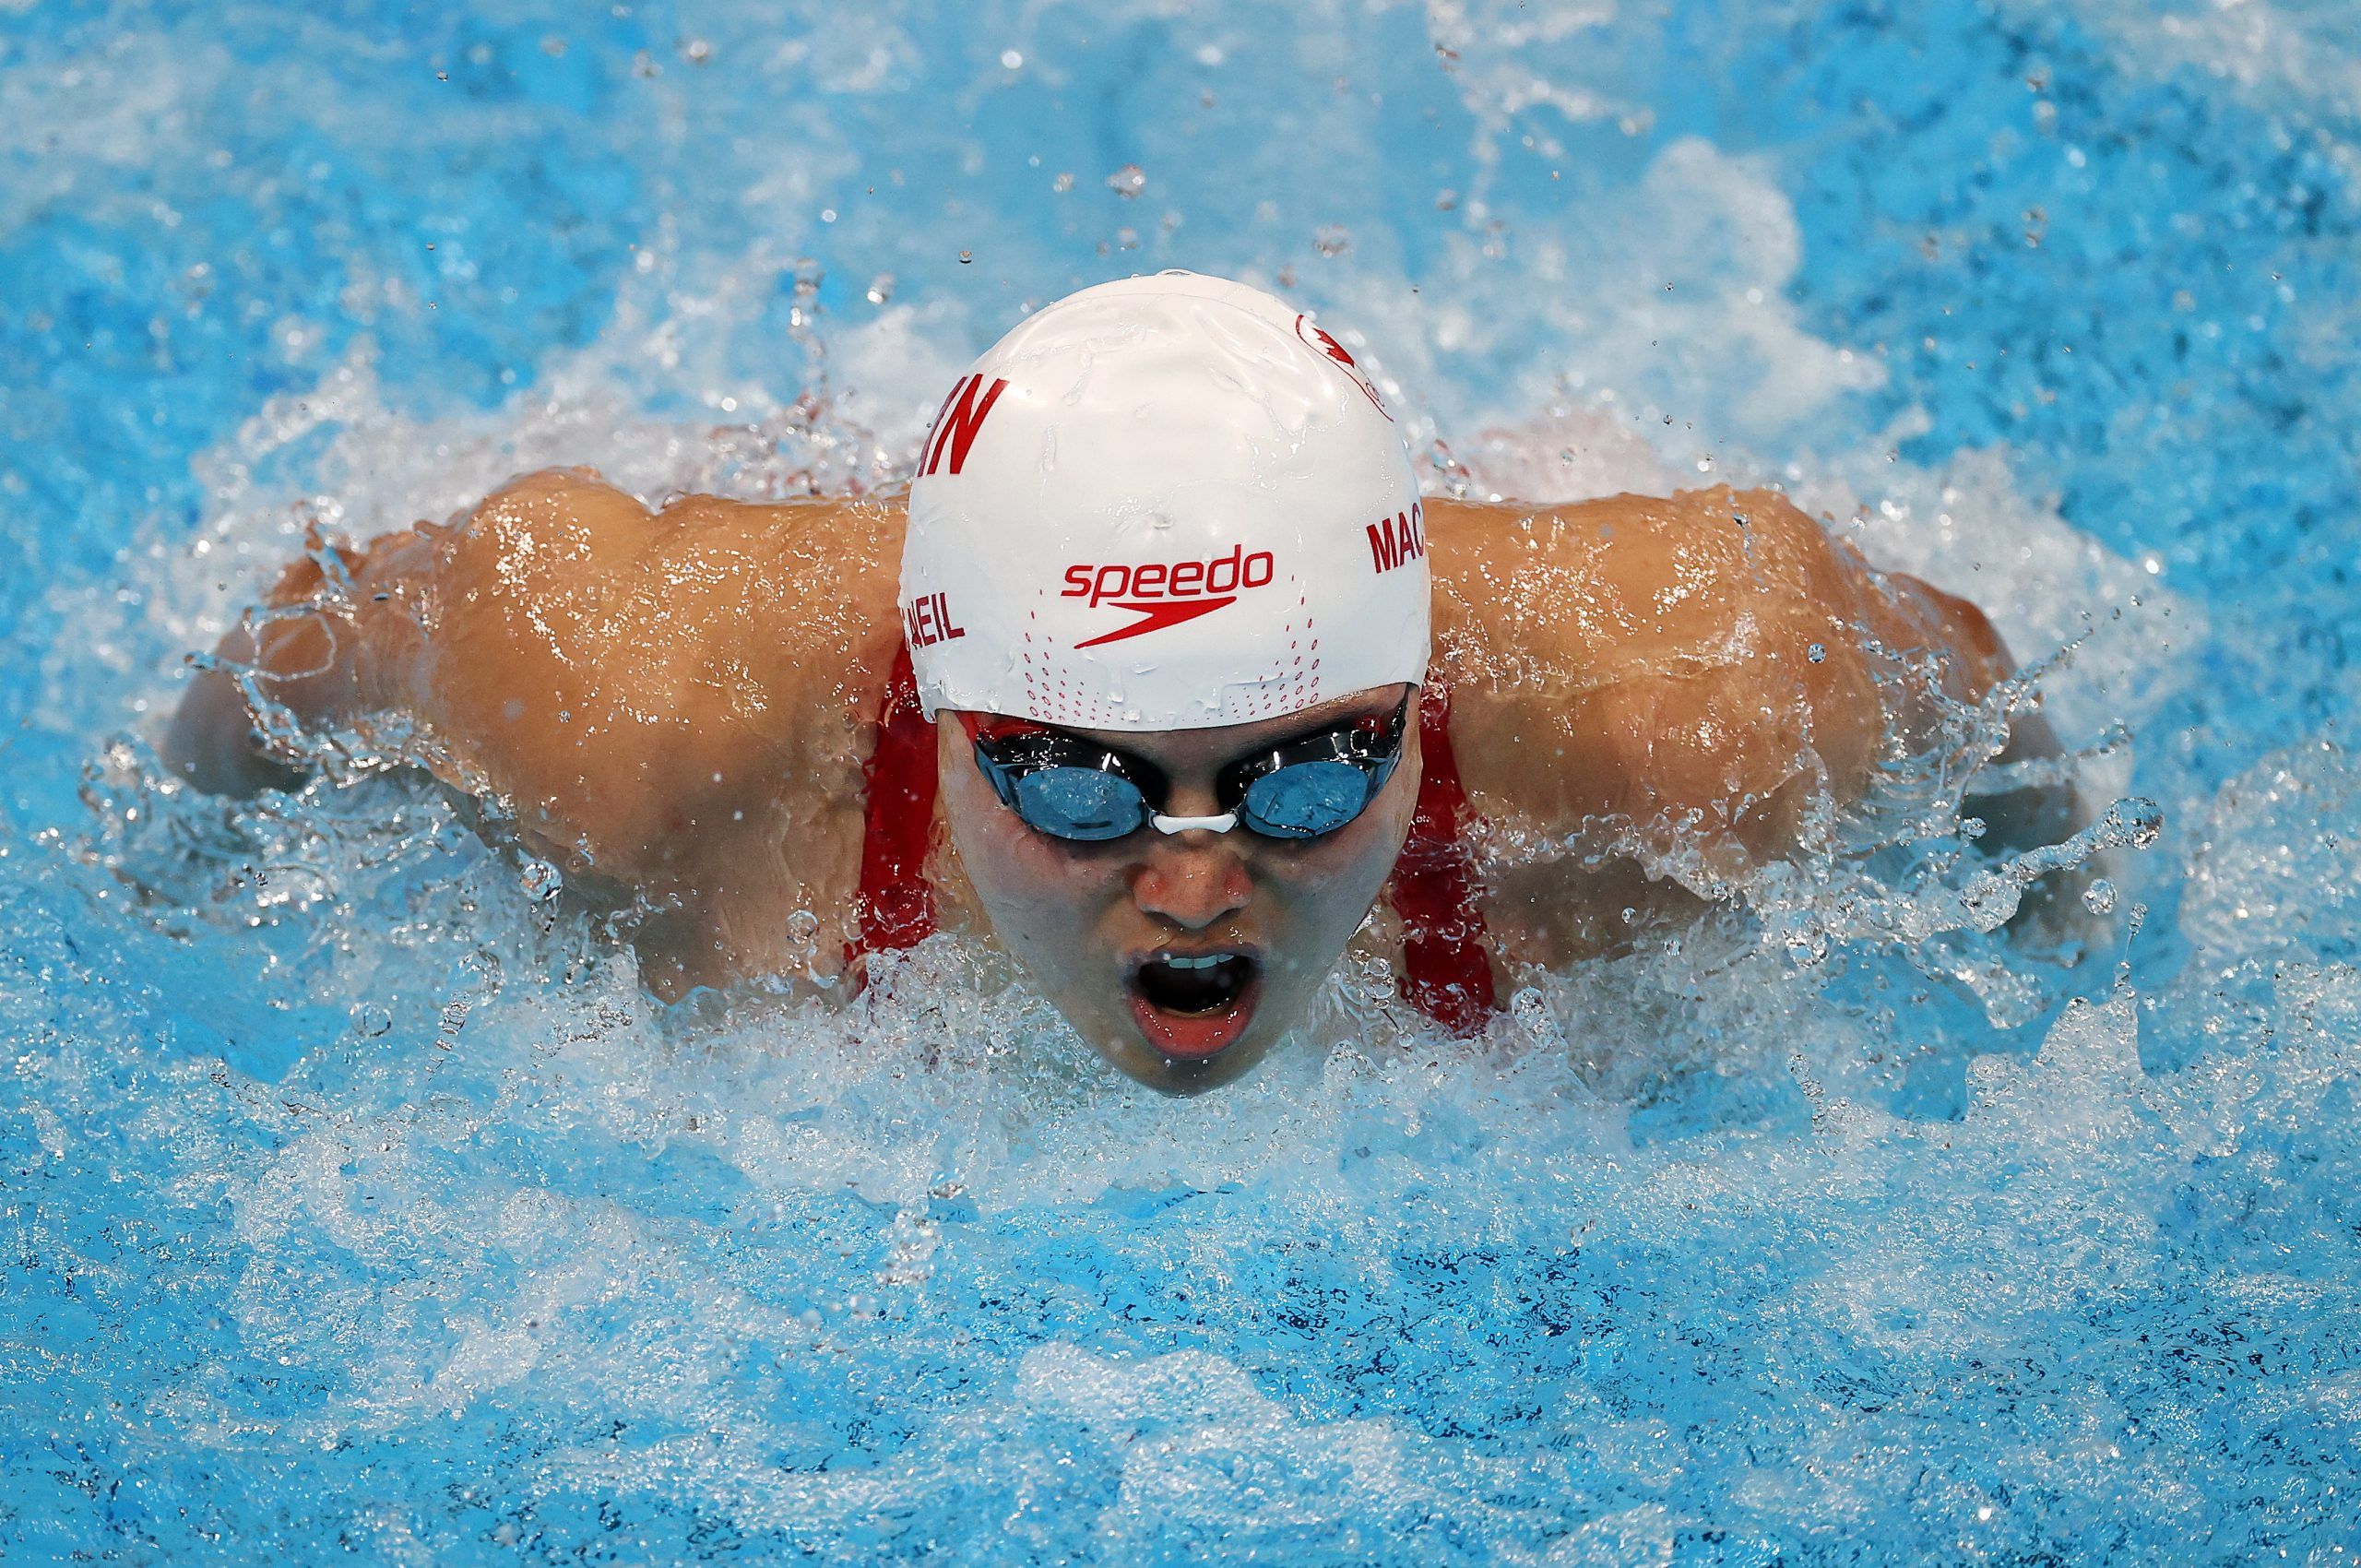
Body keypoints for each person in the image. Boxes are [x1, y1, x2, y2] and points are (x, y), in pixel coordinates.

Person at [166, 272, 2070, 1093]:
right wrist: (162, 883)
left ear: (1415, 716)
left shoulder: (1696, 702)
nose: (1188, 883)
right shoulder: (627, 699)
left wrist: (2066, 926)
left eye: (1305, 774)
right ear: (938, 711)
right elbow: (292, 651)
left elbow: (1976, 701)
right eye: (1076, 784)